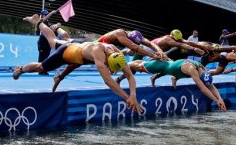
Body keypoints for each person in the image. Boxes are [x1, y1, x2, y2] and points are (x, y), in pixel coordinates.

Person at [13, 14, 142, 112]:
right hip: (68, 52)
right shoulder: (98, 53)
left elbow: (130, 75)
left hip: (78, 50)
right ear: (107, 60)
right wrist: (127, 98)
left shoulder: (117, 53)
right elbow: (108, 81)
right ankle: (22, 67)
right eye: (110, 68)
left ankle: (57, 28)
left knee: (66, 40)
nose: (110, 71)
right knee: (45, 59)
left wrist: (133, 95)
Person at [123, 59, 227, 111]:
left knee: (144, 62)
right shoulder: (193, 70)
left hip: (173, 66)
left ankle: (173, 77)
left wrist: (220, 98)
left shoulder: (203, 70)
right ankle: (121, 66)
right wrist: (216, 100)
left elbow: (211, 86)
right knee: (139, 65)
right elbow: (203, 89)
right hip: (164, 66)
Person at [98, 28, 167, 61]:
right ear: (129, 39)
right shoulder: (119, 33)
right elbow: (134, 47)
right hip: (99, 46)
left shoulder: (138, 36)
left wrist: (161, 52)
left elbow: (151, 44)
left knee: (131, 53)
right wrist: (152, 55)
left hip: (111, 47)